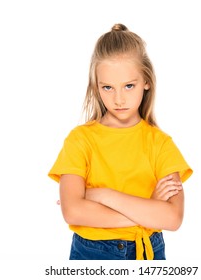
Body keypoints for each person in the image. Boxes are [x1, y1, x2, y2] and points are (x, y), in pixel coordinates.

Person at [48, 23, 193, 260]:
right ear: (96, 87)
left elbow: (172, 219)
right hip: (92, 253)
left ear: (146, 81)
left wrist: (101, 195)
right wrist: (147, 211)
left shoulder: (161, 144)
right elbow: (73, 211)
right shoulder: (80, 140)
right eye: (107, 87)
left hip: (148, 252)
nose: (118, 99)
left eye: (128, 86)